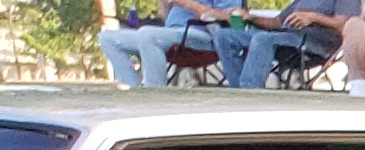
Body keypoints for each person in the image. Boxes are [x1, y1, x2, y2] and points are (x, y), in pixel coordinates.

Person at [99, 0, 277, 86]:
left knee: (148, 35)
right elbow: (168, 17)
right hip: (172, 33)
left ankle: (155, 94)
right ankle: (133, 90)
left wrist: (188, 4)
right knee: (107, 38)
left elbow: (230, 17)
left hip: (203, 34)